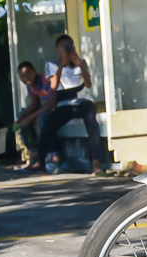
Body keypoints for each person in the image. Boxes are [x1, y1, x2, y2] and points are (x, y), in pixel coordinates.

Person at [27, 35, 103, 174]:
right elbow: (54, 86)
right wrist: (61, 65)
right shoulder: (52, 65)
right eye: (64, 46)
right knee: (47, 124)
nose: (67, 49)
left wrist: (80, 65)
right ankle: (40, 162)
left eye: (70, 46)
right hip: (64, 105)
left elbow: (88, 84)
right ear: (57, 49)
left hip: (81, 102)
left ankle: (96, 163)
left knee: (91, 119)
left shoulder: (81, 63)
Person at [14, 61, 57, 167]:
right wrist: (22, 117)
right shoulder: (30, 85)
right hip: (43, 107)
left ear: (34, 71)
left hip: (56, 107)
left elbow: (52, 103)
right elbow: (35, 103)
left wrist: (31, 117)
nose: (26, 78)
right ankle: (33, 153)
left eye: (29, 73)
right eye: (22, 76)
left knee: (44, 119)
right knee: (21, 116)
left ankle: (55, 154)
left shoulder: (45, 81)